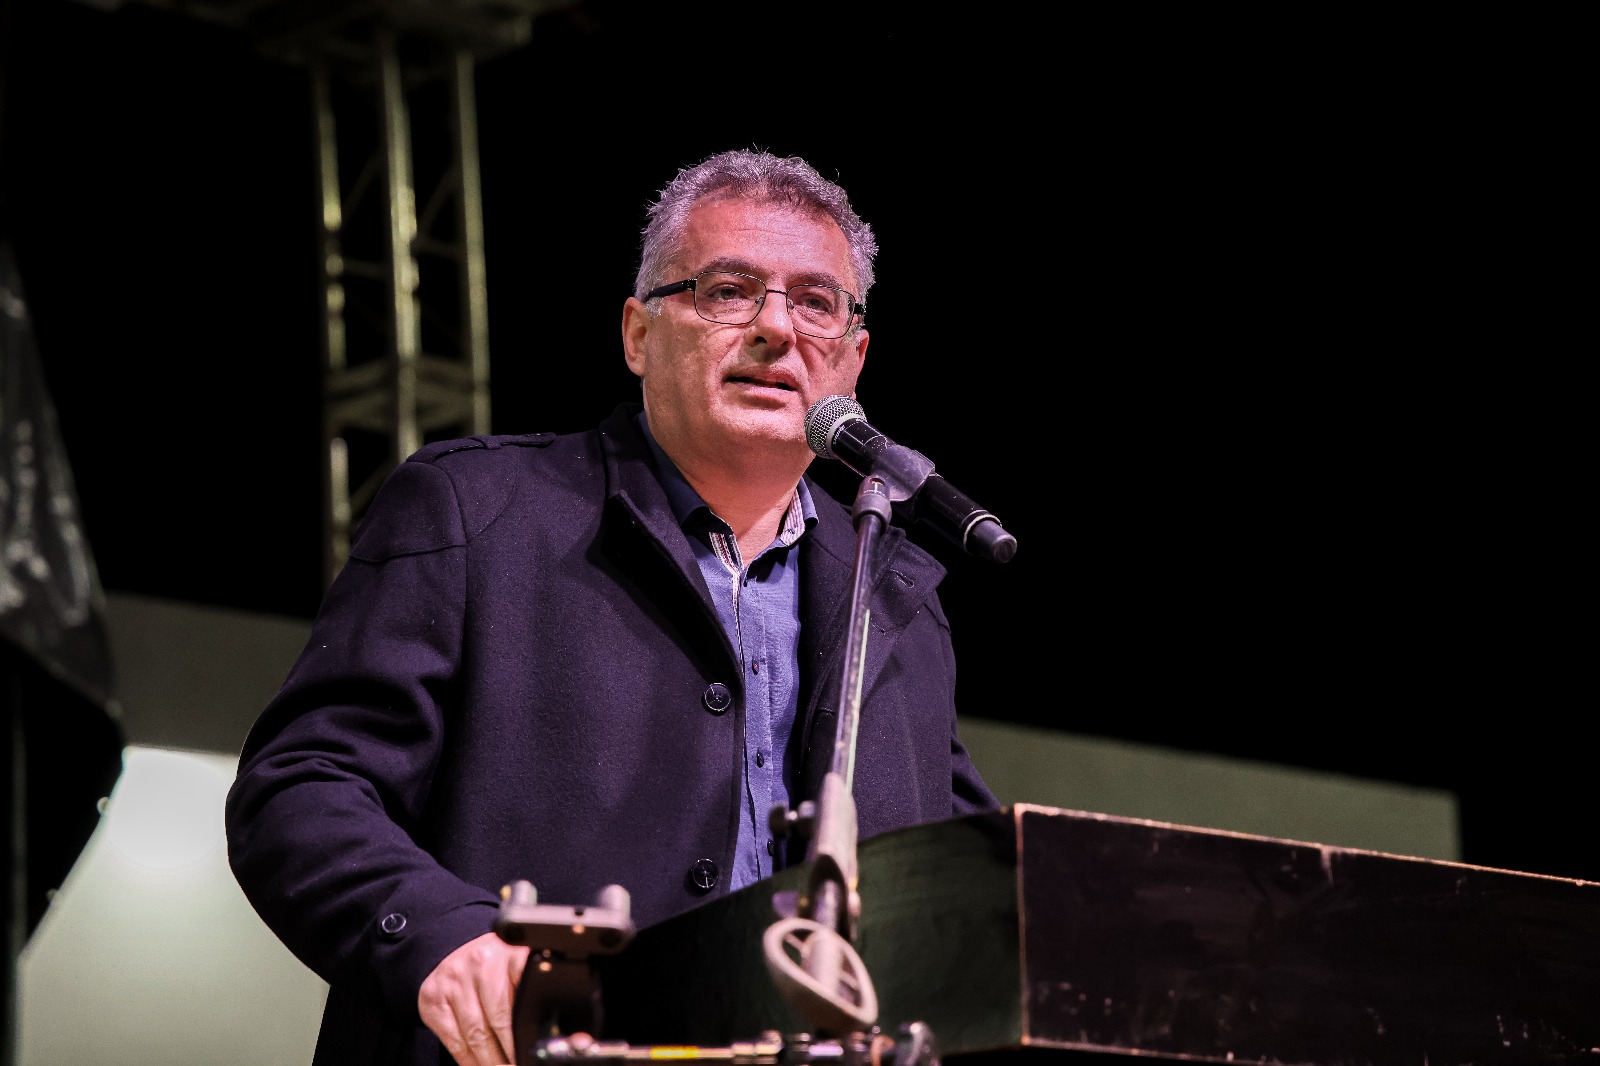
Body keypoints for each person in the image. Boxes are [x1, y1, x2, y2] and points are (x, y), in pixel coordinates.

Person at [224, 148, 1001, 1066]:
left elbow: (977, 888)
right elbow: (302, 787)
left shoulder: (896, 594)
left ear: (853, 358)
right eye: (727, 291)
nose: (774, 328)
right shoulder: (476, 513)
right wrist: (441, 939)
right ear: (638, 334)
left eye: (815, 302)